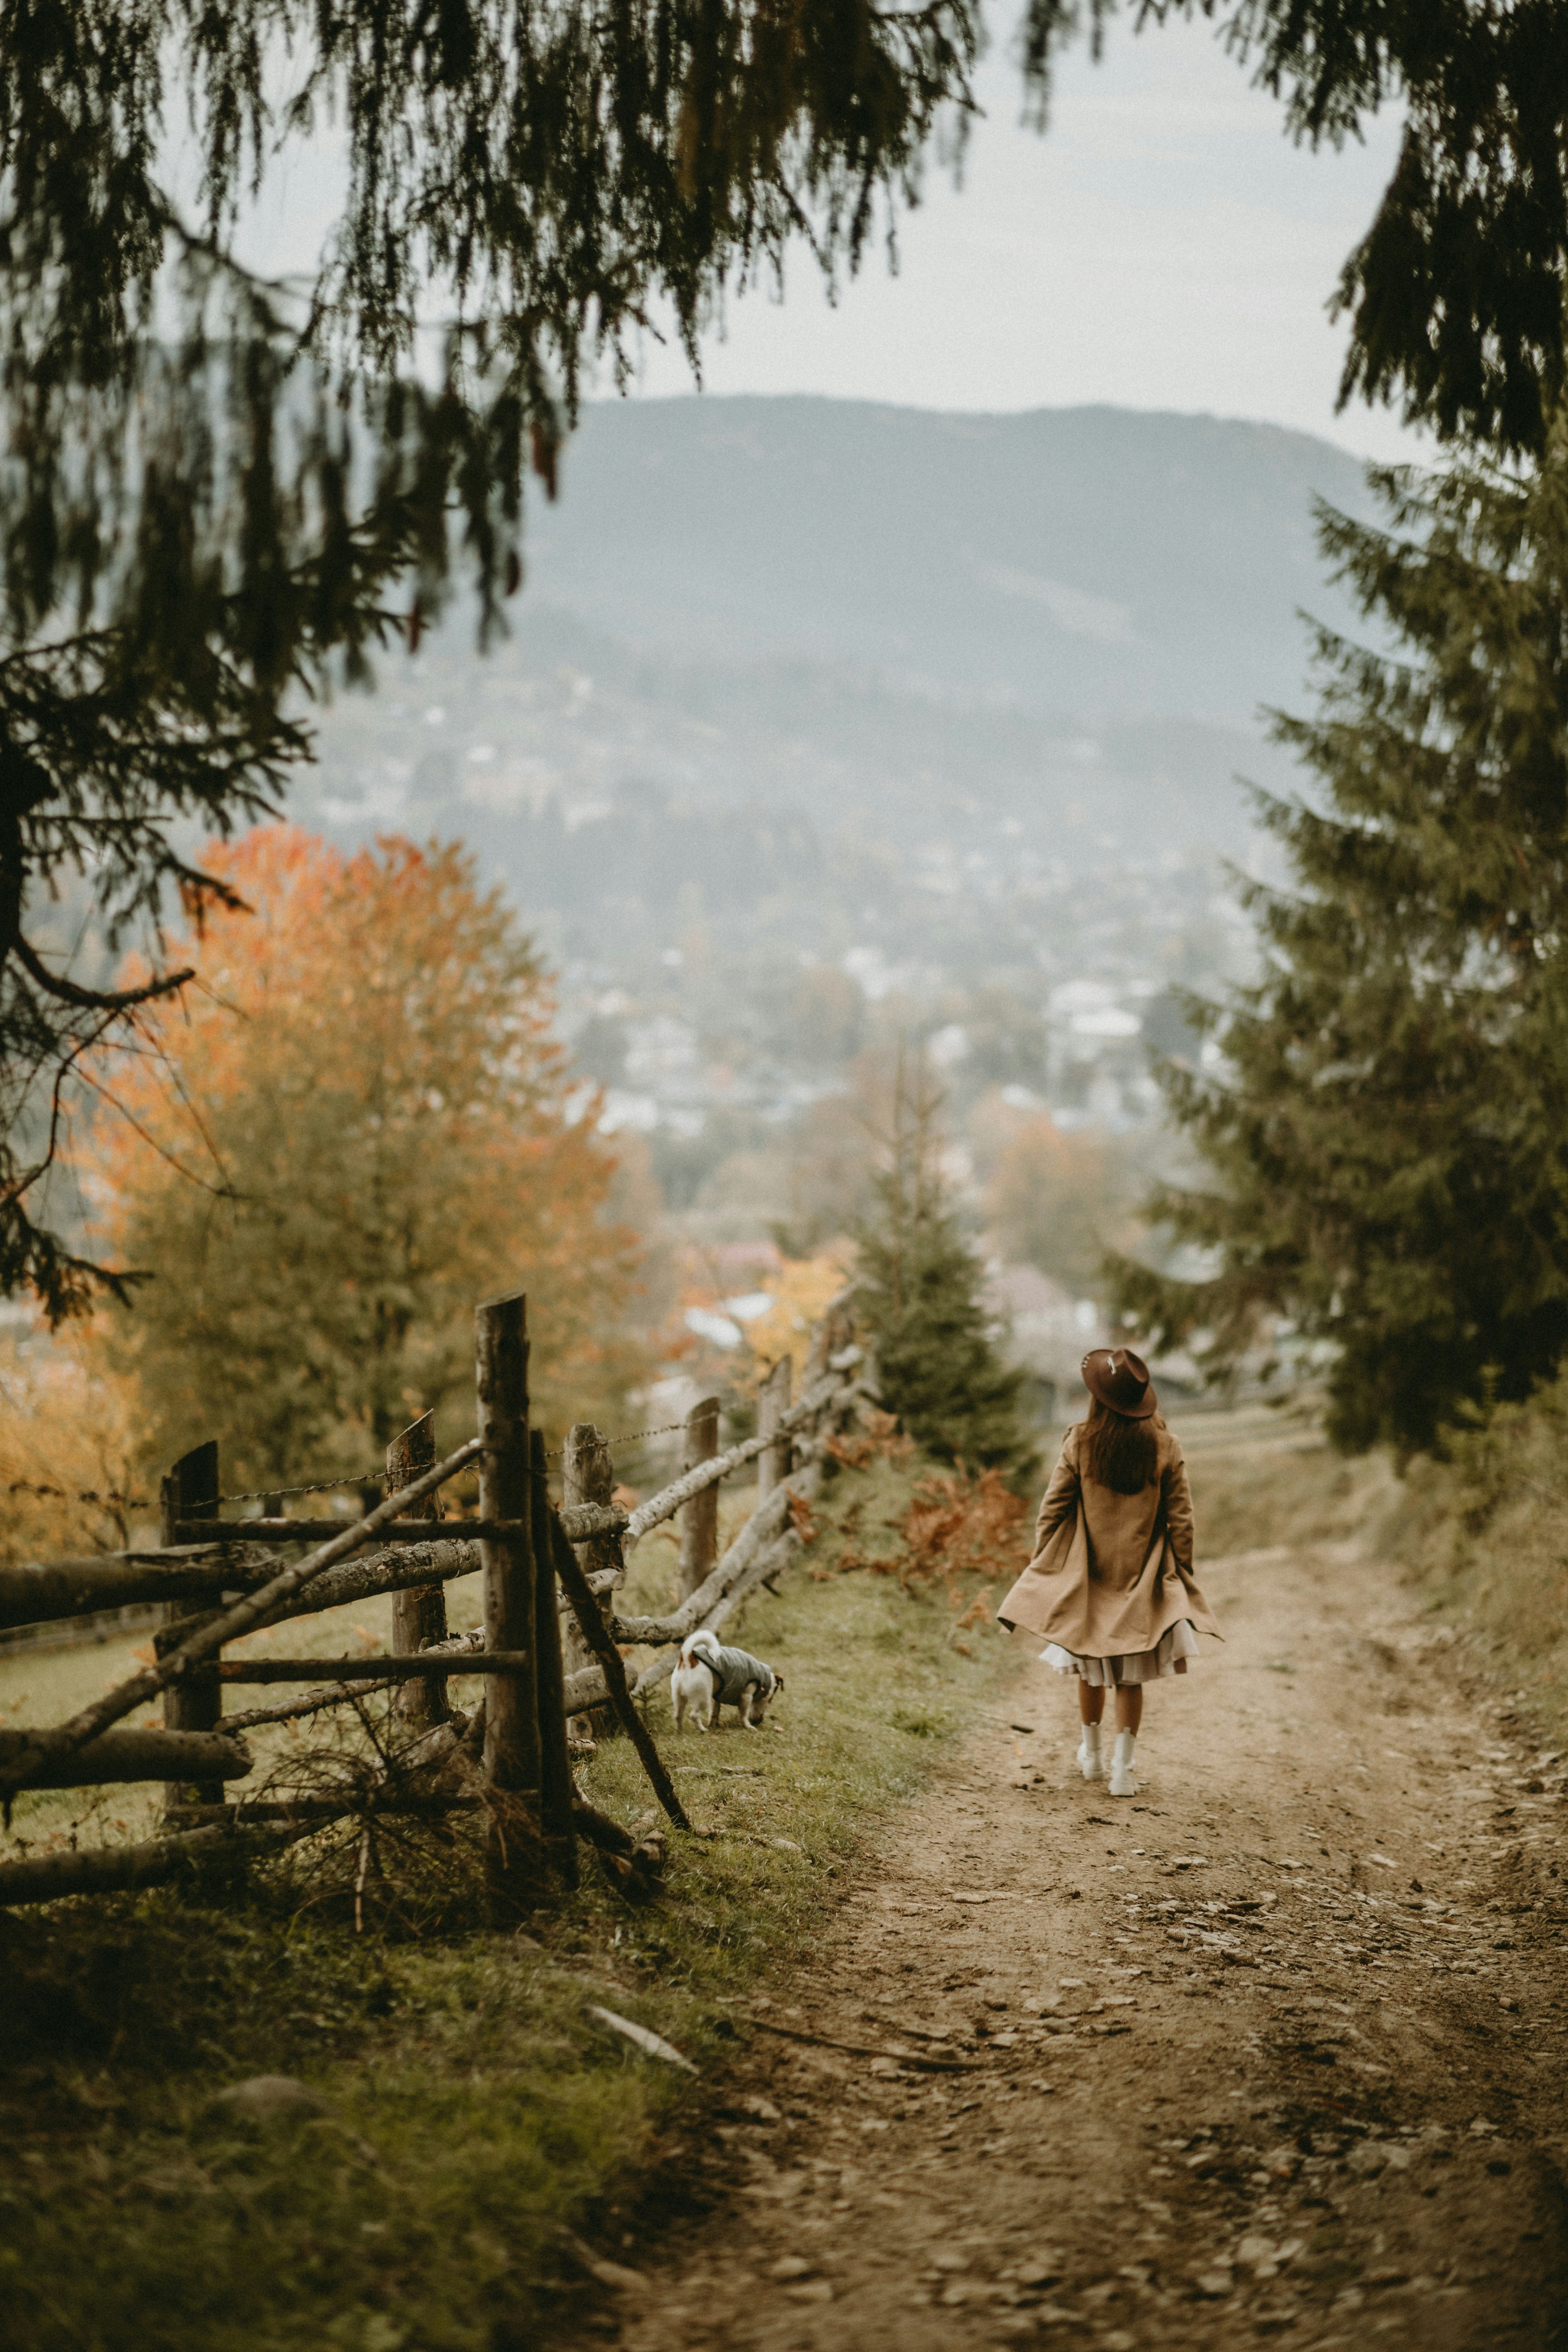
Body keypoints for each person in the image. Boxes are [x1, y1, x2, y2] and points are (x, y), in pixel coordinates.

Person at [996, 1347, 1220, 1797]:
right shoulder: (1165, 1446)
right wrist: (1182, 1572)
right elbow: (1183, 1521)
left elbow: (1052, 1510)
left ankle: (1092, 1757)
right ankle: (1125, 1770)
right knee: (1130, 1677)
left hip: (1088, 1577)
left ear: (1097, 1397)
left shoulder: (1079, 1442)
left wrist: (1048, 1565)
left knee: (1089, 1669)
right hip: (1142, 1579)